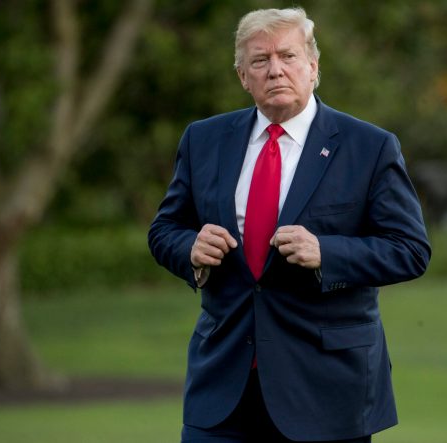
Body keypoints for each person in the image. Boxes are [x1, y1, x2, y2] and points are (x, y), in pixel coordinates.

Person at [148, 7, 430, 443]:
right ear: (243, 76)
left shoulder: (369, 147)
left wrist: (328, 253)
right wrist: (189, 248)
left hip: (326, 392)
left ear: (313, 67)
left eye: (288, 56)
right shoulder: (203, 139)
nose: (275, 70)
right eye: (260, 60)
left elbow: (410, 250)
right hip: (222, 388)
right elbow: (164, 230)